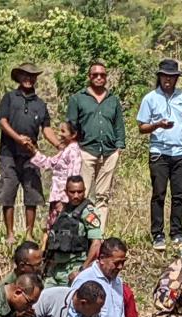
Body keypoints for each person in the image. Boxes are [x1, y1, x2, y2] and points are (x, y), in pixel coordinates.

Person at [138, 58, 182, 252]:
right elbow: (142, 127)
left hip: (180, 152)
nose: (168, 80)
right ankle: (157, 233)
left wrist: (178, 133)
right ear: (160, 77)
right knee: (159, 193)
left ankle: (176, 231)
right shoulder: (150, 98)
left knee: (179, 193)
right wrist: (158, 126)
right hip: (159, 152)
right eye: (165, 76)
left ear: (176, 79)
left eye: (172, 77)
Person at [0, 63, 57, 246]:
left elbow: (46, 129)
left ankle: (29, 234)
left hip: (31, 154)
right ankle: (10, 234)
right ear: (19, 77)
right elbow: (2, 121)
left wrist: (59, 145)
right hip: (9, 153)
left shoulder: (40, 104)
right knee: (8, 193)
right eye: (25, 75)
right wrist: (17, 138)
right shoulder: (9, 98)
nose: (28, 79)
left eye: (32, 76)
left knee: (32, 194)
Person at [66, 61, 126, 232]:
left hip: (109, 152)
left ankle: (97, 233)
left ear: (106, 77)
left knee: (102, 196)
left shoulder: (113, 100)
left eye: (102, 75)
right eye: (95, 75)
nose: (99, 78)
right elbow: (70, 125)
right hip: (86, 151)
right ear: (89, 77)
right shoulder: (78, 99)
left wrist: (119, 147)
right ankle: (80, 230)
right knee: (80, 194)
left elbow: (119, 125)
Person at [43, 175, 101, 286]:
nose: (76, 196)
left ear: (84, 191)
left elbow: (96, 243)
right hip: (55, 267)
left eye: (80, 192)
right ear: (66, 192)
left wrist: (82, 271)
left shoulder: (88, 212)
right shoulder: (63, 210)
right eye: (72, 192)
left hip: (74, 267)